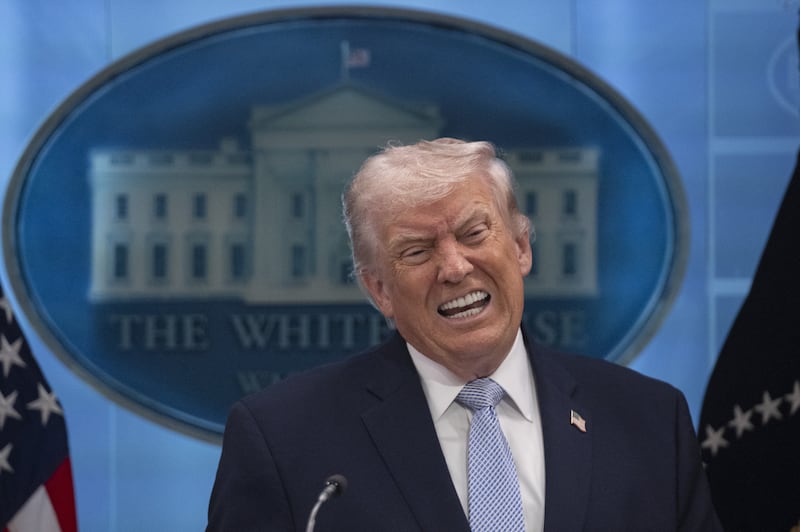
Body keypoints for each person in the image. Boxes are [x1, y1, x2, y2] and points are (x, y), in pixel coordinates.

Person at [207, 138, 722, 531]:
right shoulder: (284, 440)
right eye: (417, 251)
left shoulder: (649, 422)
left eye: (474, 234)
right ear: (379, 289)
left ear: (521, 247)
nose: (454, 268)